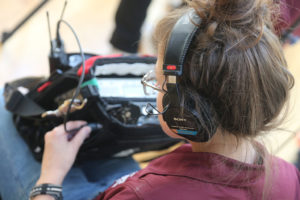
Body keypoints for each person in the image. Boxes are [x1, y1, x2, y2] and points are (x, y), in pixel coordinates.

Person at [1, 0, 300, 200]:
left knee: (5, 115)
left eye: (156, 82)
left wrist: (50, 179)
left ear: (185, 113)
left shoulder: (140, 194)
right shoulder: (289, 177)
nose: (154, 89)